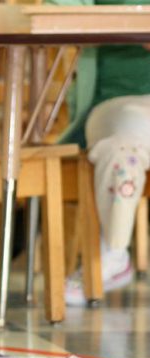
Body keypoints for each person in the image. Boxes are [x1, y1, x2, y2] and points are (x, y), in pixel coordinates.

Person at [49, 0, 150, 305]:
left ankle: (113, 254)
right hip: (114, 105)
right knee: (124, 143)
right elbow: (51, 9)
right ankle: (114, 251)